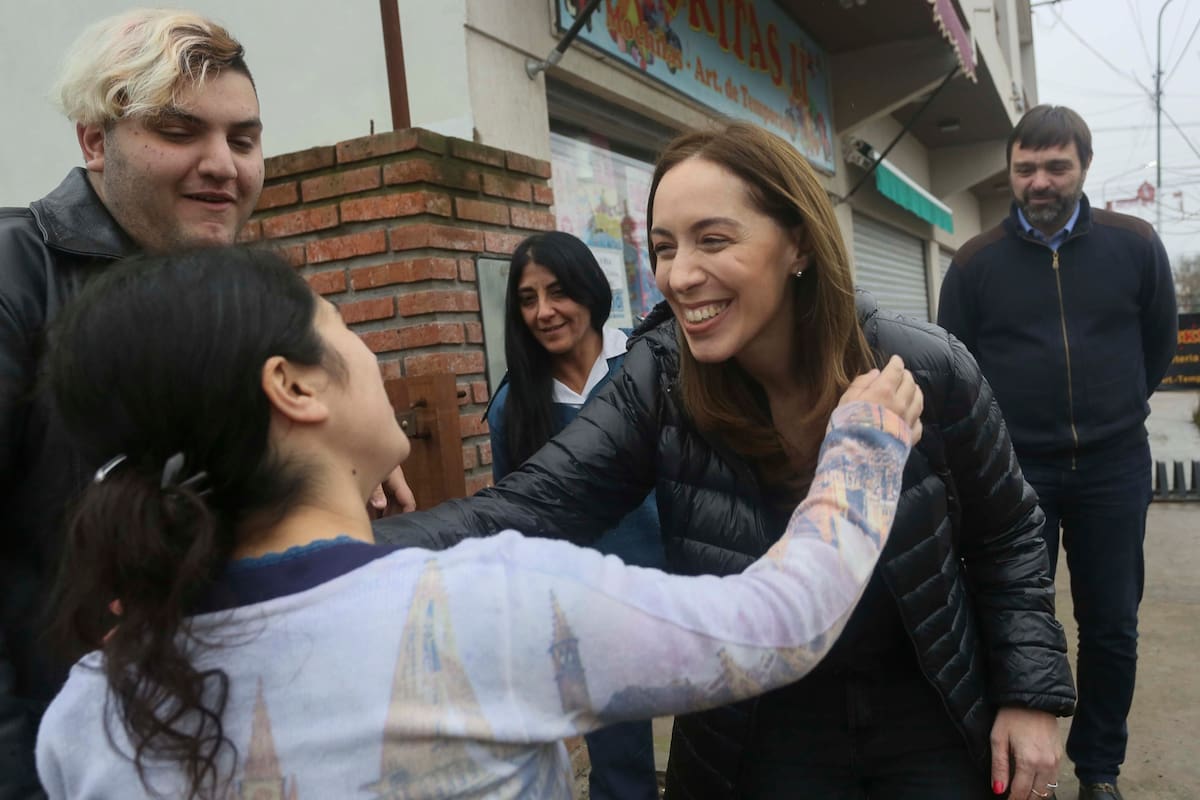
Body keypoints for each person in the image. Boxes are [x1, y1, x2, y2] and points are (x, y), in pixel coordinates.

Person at [35, 244, 920, 799]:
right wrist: (866, 446)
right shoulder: (486, 608)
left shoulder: (90, 707)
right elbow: (781, 624)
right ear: (294, 387)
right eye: (338, 326)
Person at [377, 120, 1077, 800]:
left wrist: (1030, 695)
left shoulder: (924, 364)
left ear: (798, 242)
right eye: (663, 248)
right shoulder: (659, 382)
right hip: (756, 730)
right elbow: (527, 509)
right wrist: (339, 548)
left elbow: (1007, 535)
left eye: (713, 240)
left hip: (926, 710)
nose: (679, 276)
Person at [938, 105, 1178, 800]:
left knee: (1111, 626)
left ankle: (1098, 769)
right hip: (1015, 473)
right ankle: (1012, 768)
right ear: (1010, 172)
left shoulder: (1135, 246)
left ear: (1084, 167)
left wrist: (1114, 407)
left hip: (1114, 467)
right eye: (1025, 168)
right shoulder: (975, 264)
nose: (1039, 181)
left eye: (1056, 166)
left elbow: (1158, 344)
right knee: (1010, 620)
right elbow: (955, 369)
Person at [488, 231, 664, 799]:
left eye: (558, 291)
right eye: (528, 299)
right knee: (621, 766)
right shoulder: (514, 406)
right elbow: (519, 523)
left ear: (589, 289)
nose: (544, 311)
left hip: (678, 589)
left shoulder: (649, 365)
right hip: (590, 612)